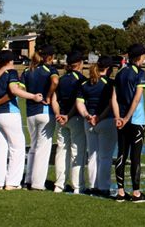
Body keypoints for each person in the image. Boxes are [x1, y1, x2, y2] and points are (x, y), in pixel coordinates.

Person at [0, 51, 42, 190]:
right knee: (17, 148)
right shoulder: (11, 73)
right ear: (10, 61)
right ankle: (12, 182)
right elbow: (13, 90)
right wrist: (33, 96)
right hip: (9, 113)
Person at [113, 44, 145, 202]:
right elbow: (136, 99)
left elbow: (113, 97)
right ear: (138, 57)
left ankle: (120, 192)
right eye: (144, 55)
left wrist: (118, 117)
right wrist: (128, 117)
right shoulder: (140, 73)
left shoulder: (120, 72)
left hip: (121, 120)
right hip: (135, 119)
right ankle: (136, 192)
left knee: (121, 153)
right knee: (136, 157)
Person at [77, 56, 117, 196]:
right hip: (105, 121)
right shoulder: (110, 83)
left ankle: (93, 185)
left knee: (92, 156)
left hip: (88, 122)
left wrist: (87, 116)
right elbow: (111, 104)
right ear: (108, 68)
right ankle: (103, 187)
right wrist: (99, 117)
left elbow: (80, 103)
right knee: (105, 156)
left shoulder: (85, 84)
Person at [22, 46, 60, 191]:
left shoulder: (27, 70)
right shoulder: (50, 69)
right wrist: (49, 96)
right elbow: (55, 82)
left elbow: (20, 89)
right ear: (50, 57)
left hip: (30, 112)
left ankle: (28, 180)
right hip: (44, 111)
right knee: (43, 149)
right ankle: (38, 184)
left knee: (33, 146)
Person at [52, 51, 87, 193]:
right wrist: (68, 115)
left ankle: (59, 185)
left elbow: (54, 99)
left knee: (61, 151)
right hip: (75, 118)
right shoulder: (82, 80)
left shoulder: (61, 79)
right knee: (77, 152)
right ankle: (77, 186)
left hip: (61, 119)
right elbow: (78, 101)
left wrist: (58, 114)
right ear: (80, 64)